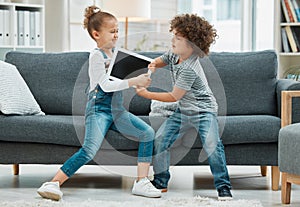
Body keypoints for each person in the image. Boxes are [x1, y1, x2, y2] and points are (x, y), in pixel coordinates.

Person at [37, 5, 161, 201]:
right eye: (112, 31)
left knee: (147, 133)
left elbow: (120, 82)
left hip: (117, 110)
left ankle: (141, 181)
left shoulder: (117, 55)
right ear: (96, 34)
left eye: (117, 31)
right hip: (99, 110)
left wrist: (142, 77)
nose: (116, 35)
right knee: (90, 149)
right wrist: (132, 81)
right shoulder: (96, 56)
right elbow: (105, 85)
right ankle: (53, 182)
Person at [136, 14, 233, 201]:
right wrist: (154, 64)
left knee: (212, 144)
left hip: (204, 111)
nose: (172, 40)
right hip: (184, 110)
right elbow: (162, 60)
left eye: (178, 39)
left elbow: (173, 96)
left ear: (192, 46)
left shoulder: (190, 68)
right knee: (161, 138)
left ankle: (223, 187)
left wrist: (146, 94)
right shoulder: (175, 54)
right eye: (174, 35)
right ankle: (161, 181)